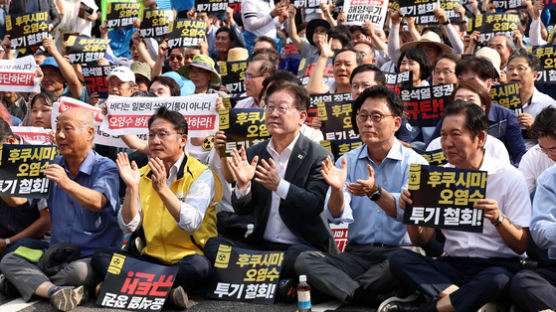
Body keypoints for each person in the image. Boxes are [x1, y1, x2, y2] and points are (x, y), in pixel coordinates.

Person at [382, 101, 531, 312]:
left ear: (479, 138)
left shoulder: (510, 177)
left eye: (456, 135)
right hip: (453, 265)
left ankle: (432, 309)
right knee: (400, 259)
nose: (447, 143)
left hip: (497, 265)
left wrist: (499, 219)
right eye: (443, 135)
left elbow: (521, 245)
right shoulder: (437, 176)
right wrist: (411, 212)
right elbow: (420, 240)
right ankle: (467, 301)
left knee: (497, 280)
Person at [295, 86, 428, 305]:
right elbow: (335, 215)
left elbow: (406, 212)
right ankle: (369, 296)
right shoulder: (346, 161)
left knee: (413, 259)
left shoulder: (415, 163)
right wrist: (338, 189)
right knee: (305, 260)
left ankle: (343, 289)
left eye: (377, 117)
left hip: (398, 253)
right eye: (362, 116)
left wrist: (375, 192)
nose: (368, 123)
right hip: (357, 254)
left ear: (396, 123)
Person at [91, 107, 222, 310]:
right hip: (150, 257)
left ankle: (130, 285)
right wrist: (132, 188)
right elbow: (128, 226)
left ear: (182, 139)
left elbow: (192, 223)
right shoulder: (142, 173)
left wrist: (162, 189)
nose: (155, 141)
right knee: (102, 257)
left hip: (187, 258)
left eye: (163, 134)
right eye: (151, 135)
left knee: (199, 269)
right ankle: (166, 292)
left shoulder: (201, 174)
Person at [204, 81, 335, 282]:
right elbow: (242, 210)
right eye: (269, 107)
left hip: (301, 246)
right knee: (214, 246)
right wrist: (243, 186)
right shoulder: (255, 153)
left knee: (300, 260)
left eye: (282, 108)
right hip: (262, 247)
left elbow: (314, 204)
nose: (273, 114)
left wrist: (279, 186)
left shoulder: (318, 155)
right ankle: (279, 282)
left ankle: (255, 276)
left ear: (301, 117)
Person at [0, 107, 122, 311]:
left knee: (79, 273)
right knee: (10, 260)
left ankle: (25, 283)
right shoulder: (51, 163)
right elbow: (18, 201)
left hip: (90, 256)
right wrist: (2, 181)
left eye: (68, 129)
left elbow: (98, 202)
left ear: (89, 133)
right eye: (57, 129)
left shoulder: (105, 166)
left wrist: (66, 183)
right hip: (55, 253)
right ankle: (55, 292)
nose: (60, 135)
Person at [427, 80, 526, 166]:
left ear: (483, 108)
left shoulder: (495, 146)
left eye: (471, 100)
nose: (464, 105)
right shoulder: (435, 145)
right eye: (459, 100)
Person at [0, 119, 51, 260]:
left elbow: (46, 221)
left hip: (31, 241)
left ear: (10, 142)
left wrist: (7, 242)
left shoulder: (38, 160)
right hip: (3, 234)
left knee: (13, 254)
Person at [507, 49, 556, 149]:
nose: (514, 73)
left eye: (520, 68)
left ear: (535, 75)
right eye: (510, 69)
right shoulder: (497, 103)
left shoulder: (548, 105)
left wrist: (534, 129)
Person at [518, 106, 556, 194]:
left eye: (553, 149)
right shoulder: (533, 155)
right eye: (543, 149)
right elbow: (521, 194)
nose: (549, 155)